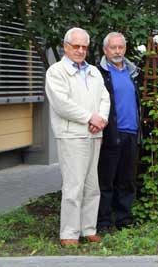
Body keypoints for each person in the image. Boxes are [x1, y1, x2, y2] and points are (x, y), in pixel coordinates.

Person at [45, 27, 110, 246]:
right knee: (73, 186)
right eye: (76, 46)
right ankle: (69, 234)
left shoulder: (93, 71)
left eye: (84, 46)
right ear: (66, 46)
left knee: (92, 186)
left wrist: (100, 118)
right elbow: (62, 104)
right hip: (72, 135)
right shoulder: (56, 72)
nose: (81, 50)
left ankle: (88, 228)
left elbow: (105, 97)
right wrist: (90, 118)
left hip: (94, 134)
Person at [96, 32, 140, 233]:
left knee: (127, 179)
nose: (117, 51)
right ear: (105, 50)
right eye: (113, 47)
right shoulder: (99, 73)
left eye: (120, 47)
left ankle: (124, 219)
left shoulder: (133, 72)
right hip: (110, 133)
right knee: (106, 179)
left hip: (131, 132)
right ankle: (103, 221)